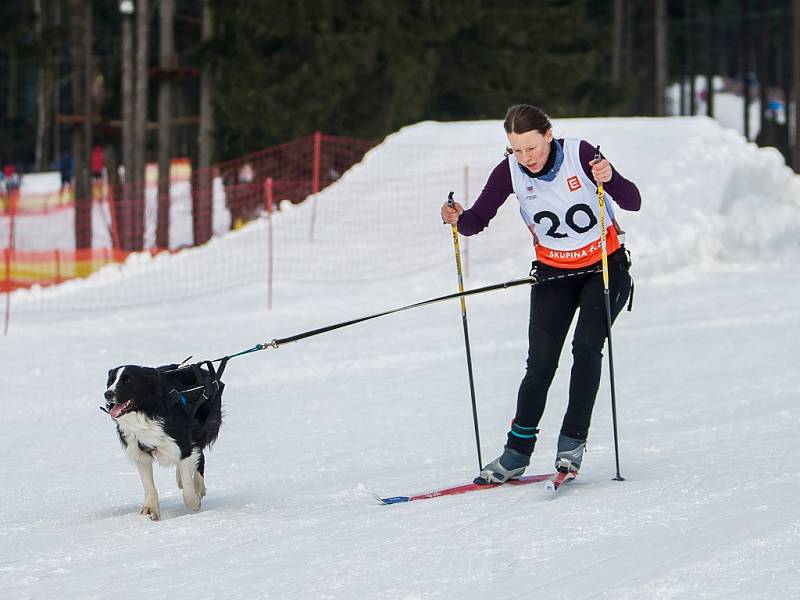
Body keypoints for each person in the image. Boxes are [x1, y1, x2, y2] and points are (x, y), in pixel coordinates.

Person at [440, 104, 641, 483]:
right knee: (540, 365)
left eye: (531, 148)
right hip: (553, 275)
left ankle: (571, 444)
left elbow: (633, 201)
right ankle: (516, 453)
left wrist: (609, 177)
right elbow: (474, 223)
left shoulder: (581, 155)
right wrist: (456, 216)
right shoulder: (510, 171)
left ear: (548, 136)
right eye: (516, 150)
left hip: (604, 269)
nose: (525, 158)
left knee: (585, 348)